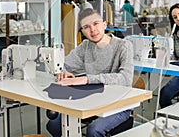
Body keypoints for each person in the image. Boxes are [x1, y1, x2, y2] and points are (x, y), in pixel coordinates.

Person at [46, 8, 134, 137]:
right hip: (92, 101)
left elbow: (125, 79)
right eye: (86, 27)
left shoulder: (123, 46)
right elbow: (65, 65)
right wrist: (62, 71)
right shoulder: (85, 46)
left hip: (119, 104)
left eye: (96, 24)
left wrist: (86, 79)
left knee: (94, 130)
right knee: (53, 125)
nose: (92, 30)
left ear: (105, 23)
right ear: (82, 31)